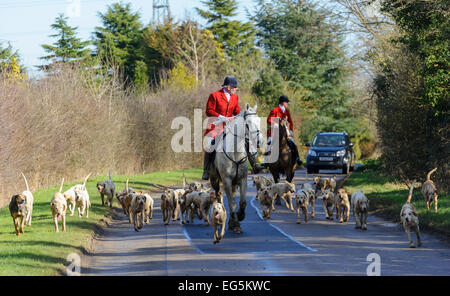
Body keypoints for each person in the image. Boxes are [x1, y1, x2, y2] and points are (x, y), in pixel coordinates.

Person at [202, 76, 263, 180]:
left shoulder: (235, 97)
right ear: (228, 87)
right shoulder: (215, 95)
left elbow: (236, 111)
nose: (236, 89)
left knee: (245, 140)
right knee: (210, 145)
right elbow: (209, 111)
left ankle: (254, 164)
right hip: (216, 125)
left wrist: (240, 117)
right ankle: (206, 170)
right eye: (235, 87)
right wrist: (221, 117)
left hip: (230, 125)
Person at [266, 95, 302, 166]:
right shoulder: (275, 110)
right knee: (269, 144)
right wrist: (277, 122)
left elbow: (290, 121)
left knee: (293, 143)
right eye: (287, 102)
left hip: (285, 133)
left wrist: (291, 130)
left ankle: (297, 158)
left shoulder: (287, 111)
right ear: (283, 103)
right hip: (274, 133)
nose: (287, 104)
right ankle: (266, 162)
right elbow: (268, 120)